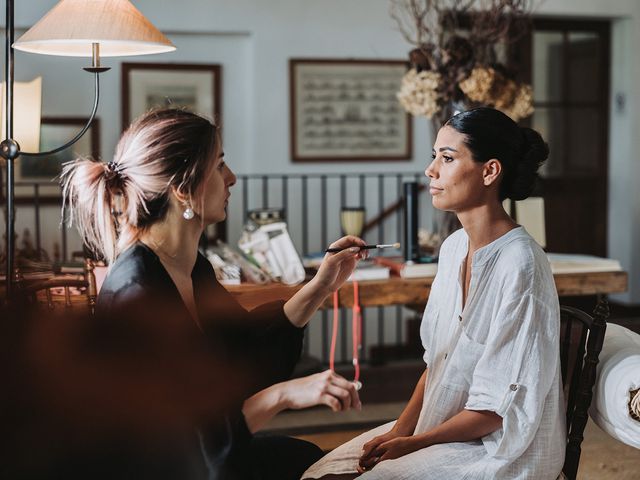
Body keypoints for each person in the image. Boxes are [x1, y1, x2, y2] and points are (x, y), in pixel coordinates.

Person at [61, 108, 364, 480]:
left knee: (306, 457)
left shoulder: (192, 267)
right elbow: (188, 440)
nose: (232, 178)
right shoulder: (138, 293)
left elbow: (246, 346)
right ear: (183, 190)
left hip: (206, 457)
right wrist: (283, 395)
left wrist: (321, 285)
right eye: (220, 165)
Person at [302, 107, 566, 480]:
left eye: (447, 158)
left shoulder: (520, 264)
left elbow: (496, 410)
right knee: (321, 472)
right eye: (433, 156)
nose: (431, 170)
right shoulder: (454, 247)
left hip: (500, 449)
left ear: (490, 171)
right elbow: (437, 364)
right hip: (443, 426)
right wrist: (400, 430)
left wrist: (416, 443)